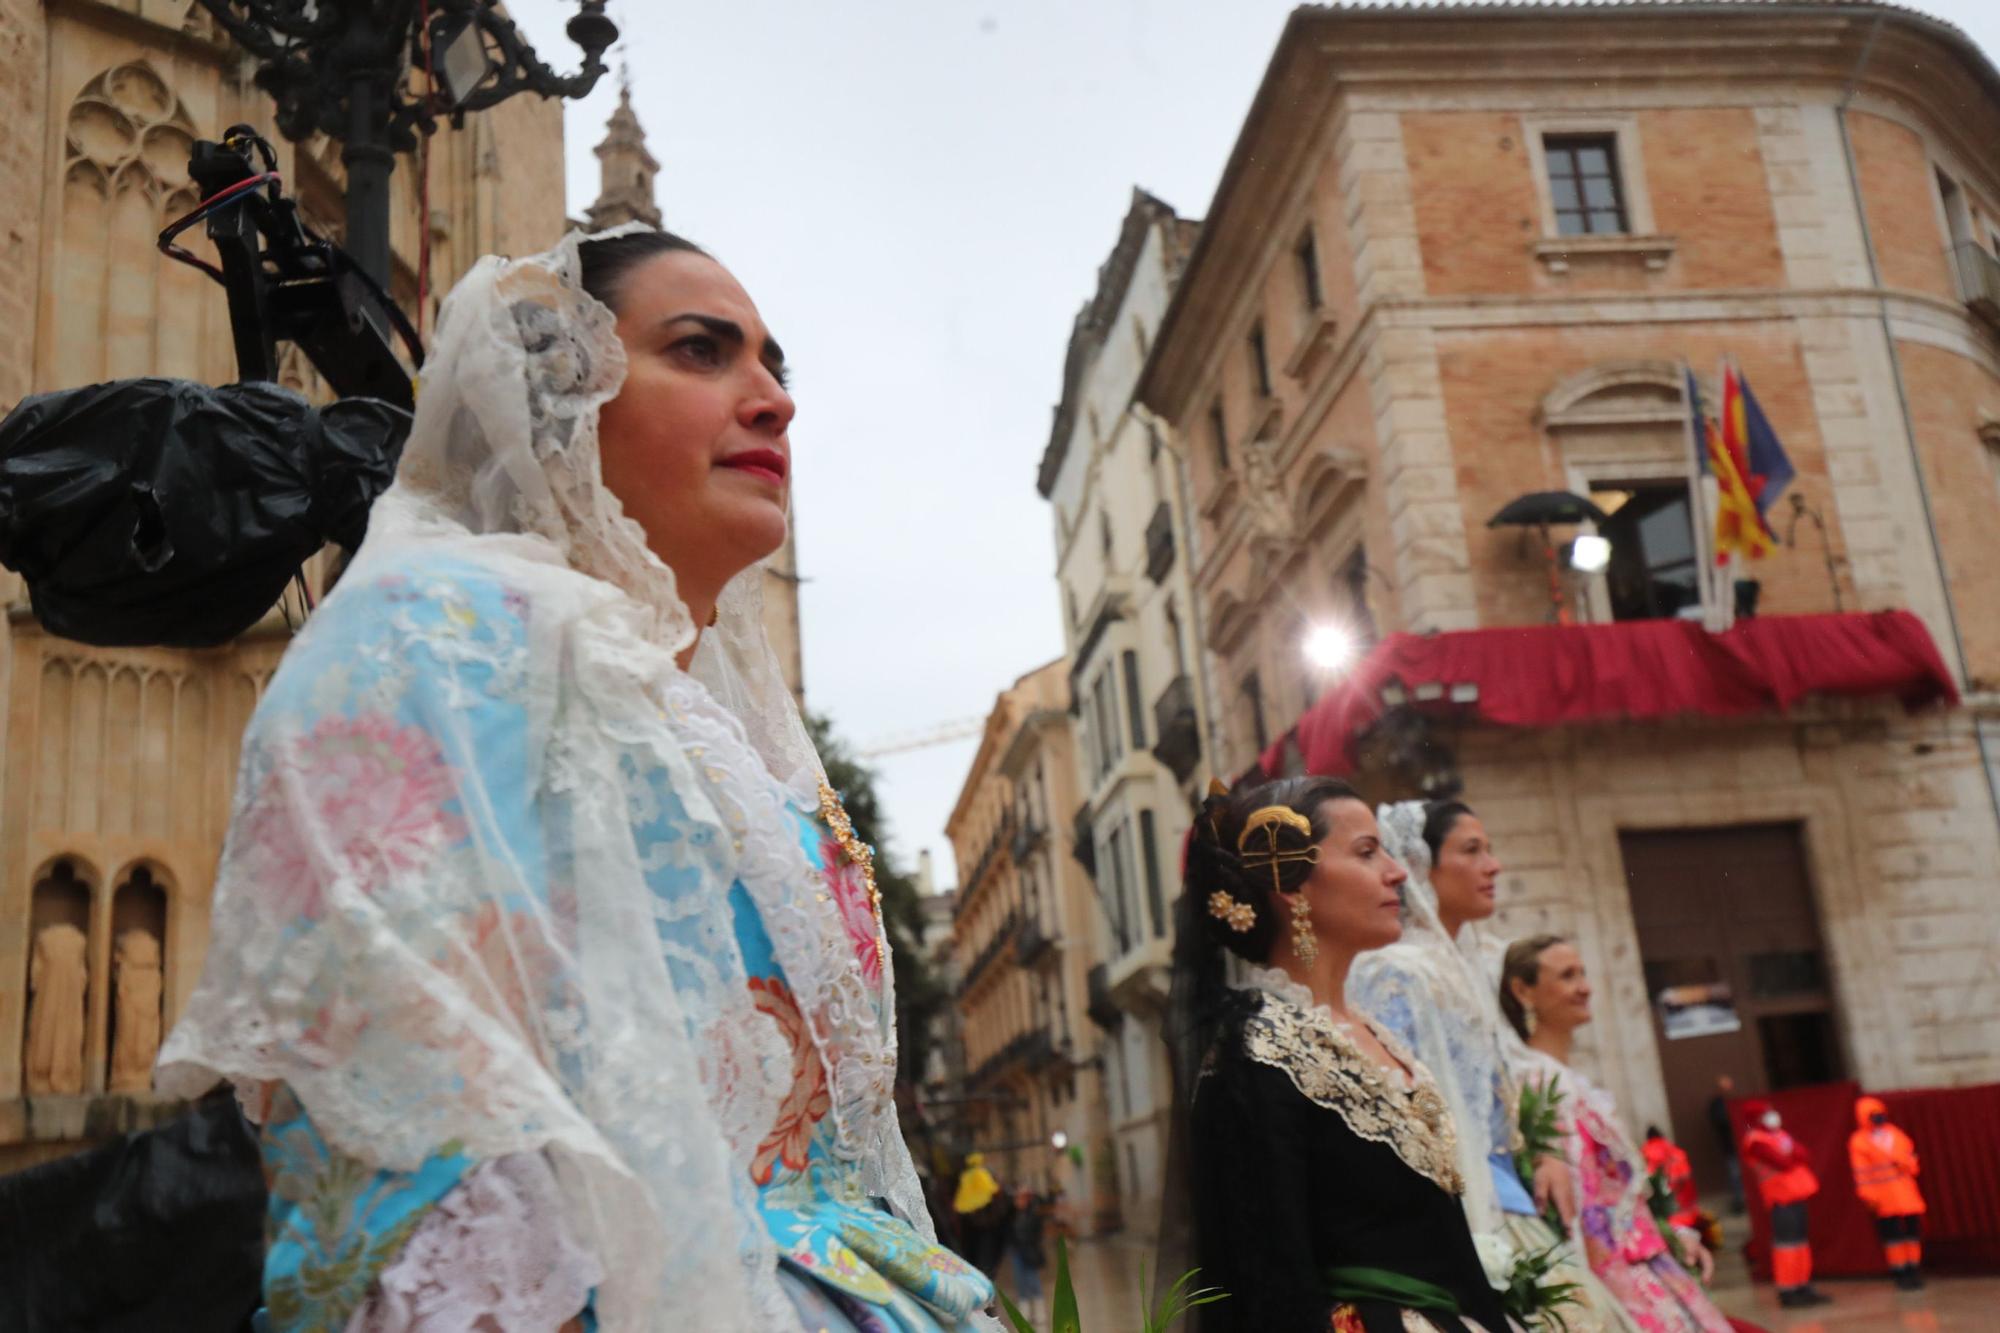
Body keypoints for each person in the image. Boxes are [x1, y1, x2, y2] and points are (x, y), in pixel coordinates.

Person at [156, 226, 994, 1332]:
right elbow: (417, 1141)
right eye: (702, 351)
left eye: (772, 366)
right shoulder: (442, 641)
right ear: (557, 396)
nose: (771, 401)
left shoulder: (735, 731)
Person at [1161, 777, 1508, 1332]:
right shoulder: (1255, 1053)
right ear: (1290, 882)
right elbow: (1269, 1284)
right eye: (1367, 853)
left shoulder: (1372, 1034)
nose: (1397, 872)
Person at [1352, 801, 1634, 1333]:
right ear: (1421, 867)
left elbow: (1503, 1090)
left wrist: (1544, 1152)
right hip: (1465, 1216)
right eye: (1471, 850)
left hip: (1510, 1200)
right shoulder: (1395, 973)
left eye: (1490, 849)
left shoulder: (1469, 966)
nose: (1494, 865)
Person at [1500, 936, 1732, 1333]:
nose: (1585, 987)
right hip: (1614, 1276)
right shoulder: (1537, 1082)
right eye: (1567, 976)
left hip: (1646, 1264)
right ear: (1523, 991)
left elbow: (1621, 1194)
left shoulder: (1569, 1080)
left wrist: (1670, 1234)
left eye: (1584, 973)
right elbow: (1575, 1206)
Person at [1739, 1100, 1827, 1309]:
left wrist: (1791, 1155)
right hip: (1780, 1199)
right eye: (1765, 1114)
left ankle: (1803, 1285)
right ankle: (1788, 1290)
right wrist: (1791, 1155)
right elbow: (1783, 1163)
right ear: (1756, 1119)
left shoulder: (1778, 1136)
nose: (1772, 1116)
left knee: (1800, 1242)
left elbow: (1804, 1155)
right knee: (1787, 1244)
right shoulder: (1756, 1141)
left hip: (1796, 1195)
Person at [1848, 1095, 1926, 1291]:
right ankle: (1900, 1273)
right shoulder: (1859, 1142)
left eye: (1880, 1114)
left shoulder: (1897, 1135)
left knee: (1912, 1235)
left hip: (1907, 1194)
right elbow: (1862, 1174)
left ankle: (1914, 1268)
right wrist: (1869, 1197)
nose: (1878, 1118)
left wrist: (1903, 1162)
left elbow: (1912, 1160)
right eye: (1873, 1115)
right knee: (1893, 1239)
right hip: (1883, 1198)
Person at [1642, 1127, 1699, 1233]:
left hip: (1664, 1211)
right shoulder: (1674, 1150)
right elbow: (1686, 1175)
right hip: (1685, 1206)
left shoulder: (1645, 1152)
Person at [1706, 1076, 1744, 1214]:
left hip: (1743, 1145)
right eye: (1725, 1087)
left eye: (1729, 1086)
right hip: (1730, 1146)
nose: (1728, 1090)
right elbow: (1721, 1121)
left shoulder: (1736, 1101)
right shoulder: (1717, 1104)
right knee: (1735, 1174)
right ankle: (1738, 1202)